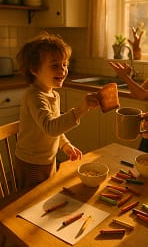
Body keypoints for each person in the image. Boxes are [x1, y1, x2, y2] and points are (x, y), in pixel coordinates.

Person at [15, 32, 99, 190]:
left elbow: (56, 127)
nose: (63, 70)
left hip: (48, 159)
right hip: (31, 162)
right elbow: (50, 127)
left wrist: (65, 145)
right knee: (29, 203)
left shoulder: (54, 94)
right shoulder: (34, 97)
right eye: (55, 65)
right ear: (34, 69)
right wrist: (81, 109)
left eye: (65, 64)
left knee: (45, 194)